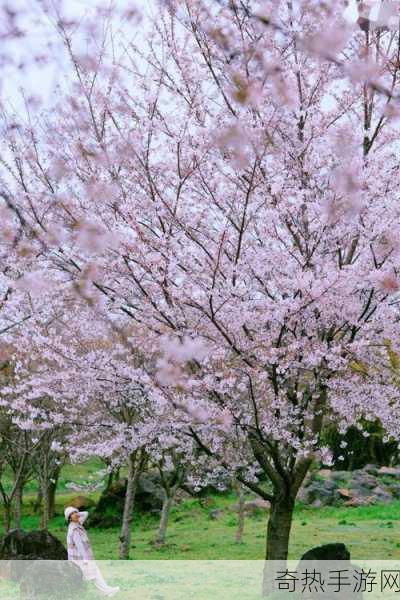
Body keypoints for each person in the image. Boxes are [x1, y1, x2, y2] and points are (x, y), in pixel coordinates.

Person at [65, 506, 120, 597]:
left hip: (81, 558)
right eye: (71, 514)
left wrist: (77, 513)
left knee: (93, 574)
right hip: (80, 559)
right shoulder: (74, 529)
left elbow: (86, 513)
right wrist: (86, 560)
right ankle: (107, 591)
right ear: (69, 518)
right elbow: (80, 546)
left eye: (75, 512)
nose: (74, 514)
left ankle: (107, 591)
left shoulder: (78, 523)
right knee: (92, 575)